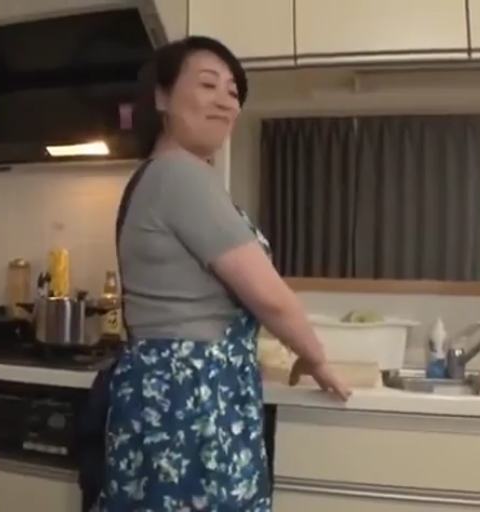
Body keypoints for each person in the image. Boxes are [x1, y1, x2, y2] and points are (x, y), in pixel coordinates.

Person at [99, 36, 352, 510]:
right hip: (192, 395)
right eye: (208, 84)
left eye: (233, 92)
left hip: (168, 390)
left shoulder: (162, 175)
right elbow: (269, 296)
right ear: (161, 97)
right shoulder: (180, 175)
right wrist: (315, 357)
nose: (226, 101)